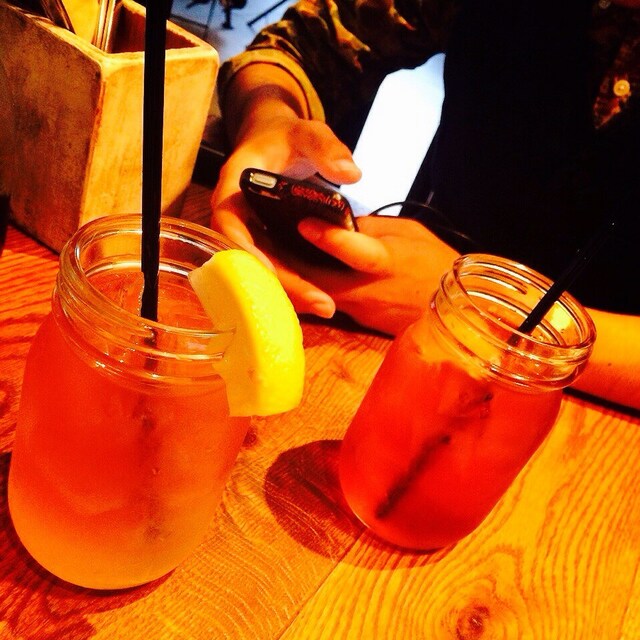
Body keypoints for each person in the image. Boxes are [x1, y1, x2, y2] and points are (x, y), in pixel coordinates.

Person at [208, 0, 640, 410]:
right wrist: (268, 122)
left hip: (591, 414)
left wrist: (480, 313)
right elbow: (298, 45)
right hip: (395, 332)